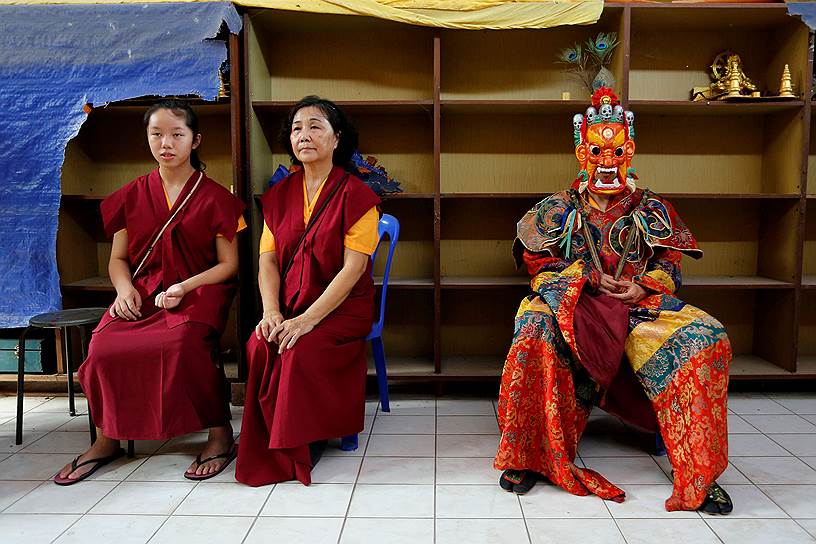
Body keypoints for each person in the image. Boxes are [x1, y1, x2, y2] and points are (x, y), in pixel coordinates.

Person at [494, 88, 733, 514]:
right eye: (596, 150)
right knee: (533, 332)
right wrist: (583, 280)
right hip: (569, 301)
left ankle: (702, 473)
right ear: (580, 153)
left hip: (640, 303)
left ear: (631, 151)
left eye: (616, 150)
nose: (607, 161)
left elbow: (671, 263)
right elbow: (536, 262)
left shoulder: (651, 207)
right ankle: (530, 456)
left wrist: (644, 286)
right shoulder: (555, 209)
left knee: (705, 337)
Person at [55, 99, 246, 485]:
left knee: (182, 345)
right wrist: (123, 290)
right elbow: (118, 259)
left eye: (177, 134)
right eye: (156, 134)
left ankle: (219, 432)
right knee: (103, 345)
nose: (166, 143)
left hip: (198, 290)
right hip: (143, 291)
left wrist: (184, 286)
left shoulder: (219, 200)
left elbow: (228, 266)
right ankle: (108, 437)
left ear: (195, 140)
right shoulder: (131, 195)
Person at [235, 96, 380, 487]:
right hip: (288, 306)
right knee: (260, 343)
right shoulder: (278, 196)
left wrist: (307, 320)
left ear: (336, 139)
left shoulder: (358, 196)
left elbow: (354, 268)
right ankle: (270, 437)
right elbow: (267, 261)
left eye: (316, 126)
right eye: (297, 128)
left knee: (297, 349)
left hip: (342, 308)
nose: (305, 135)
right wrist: (271, 312)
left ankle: (300, 440)